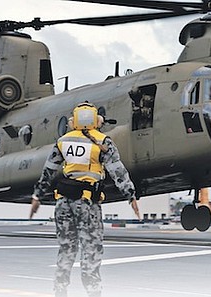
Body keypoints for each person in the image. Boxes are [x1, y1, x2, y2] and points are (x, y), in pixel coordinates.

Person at [30, 101, 140, 297]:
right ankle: (93, 292)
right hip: (87, 204)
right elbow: (118, 171)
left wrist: (37, 195)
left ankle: (59, 291)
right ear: (97, 120)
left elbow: (48, 172)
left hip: (63, 203)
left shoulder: (63, 141)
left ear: (73, 121)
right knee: (91, 250)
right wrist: (130, 195)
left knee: (66, 249)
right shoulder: (103, 142)